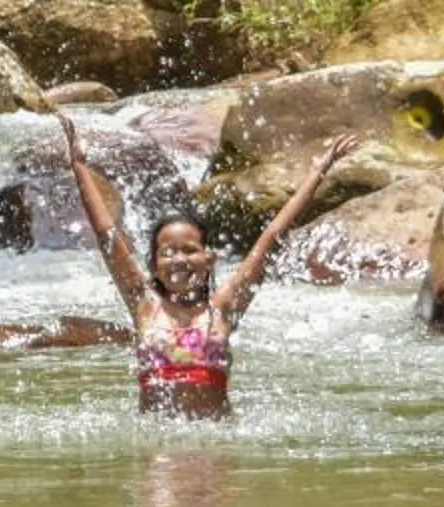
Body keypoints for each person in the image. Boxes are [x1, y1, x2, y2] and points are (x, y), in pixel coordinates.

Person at [57, 112, 358, 419]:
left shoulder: (224, 308)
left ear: (209, 259)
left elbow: (271, 237)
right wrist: (79, 165)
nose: (178, 260)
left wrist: (318, 172)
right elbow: (107, 235)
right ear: (155, 264)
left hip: (214, 451)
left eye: (189, 250)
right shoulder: (144, 304)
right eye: (168, 253)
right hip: (158, 455)